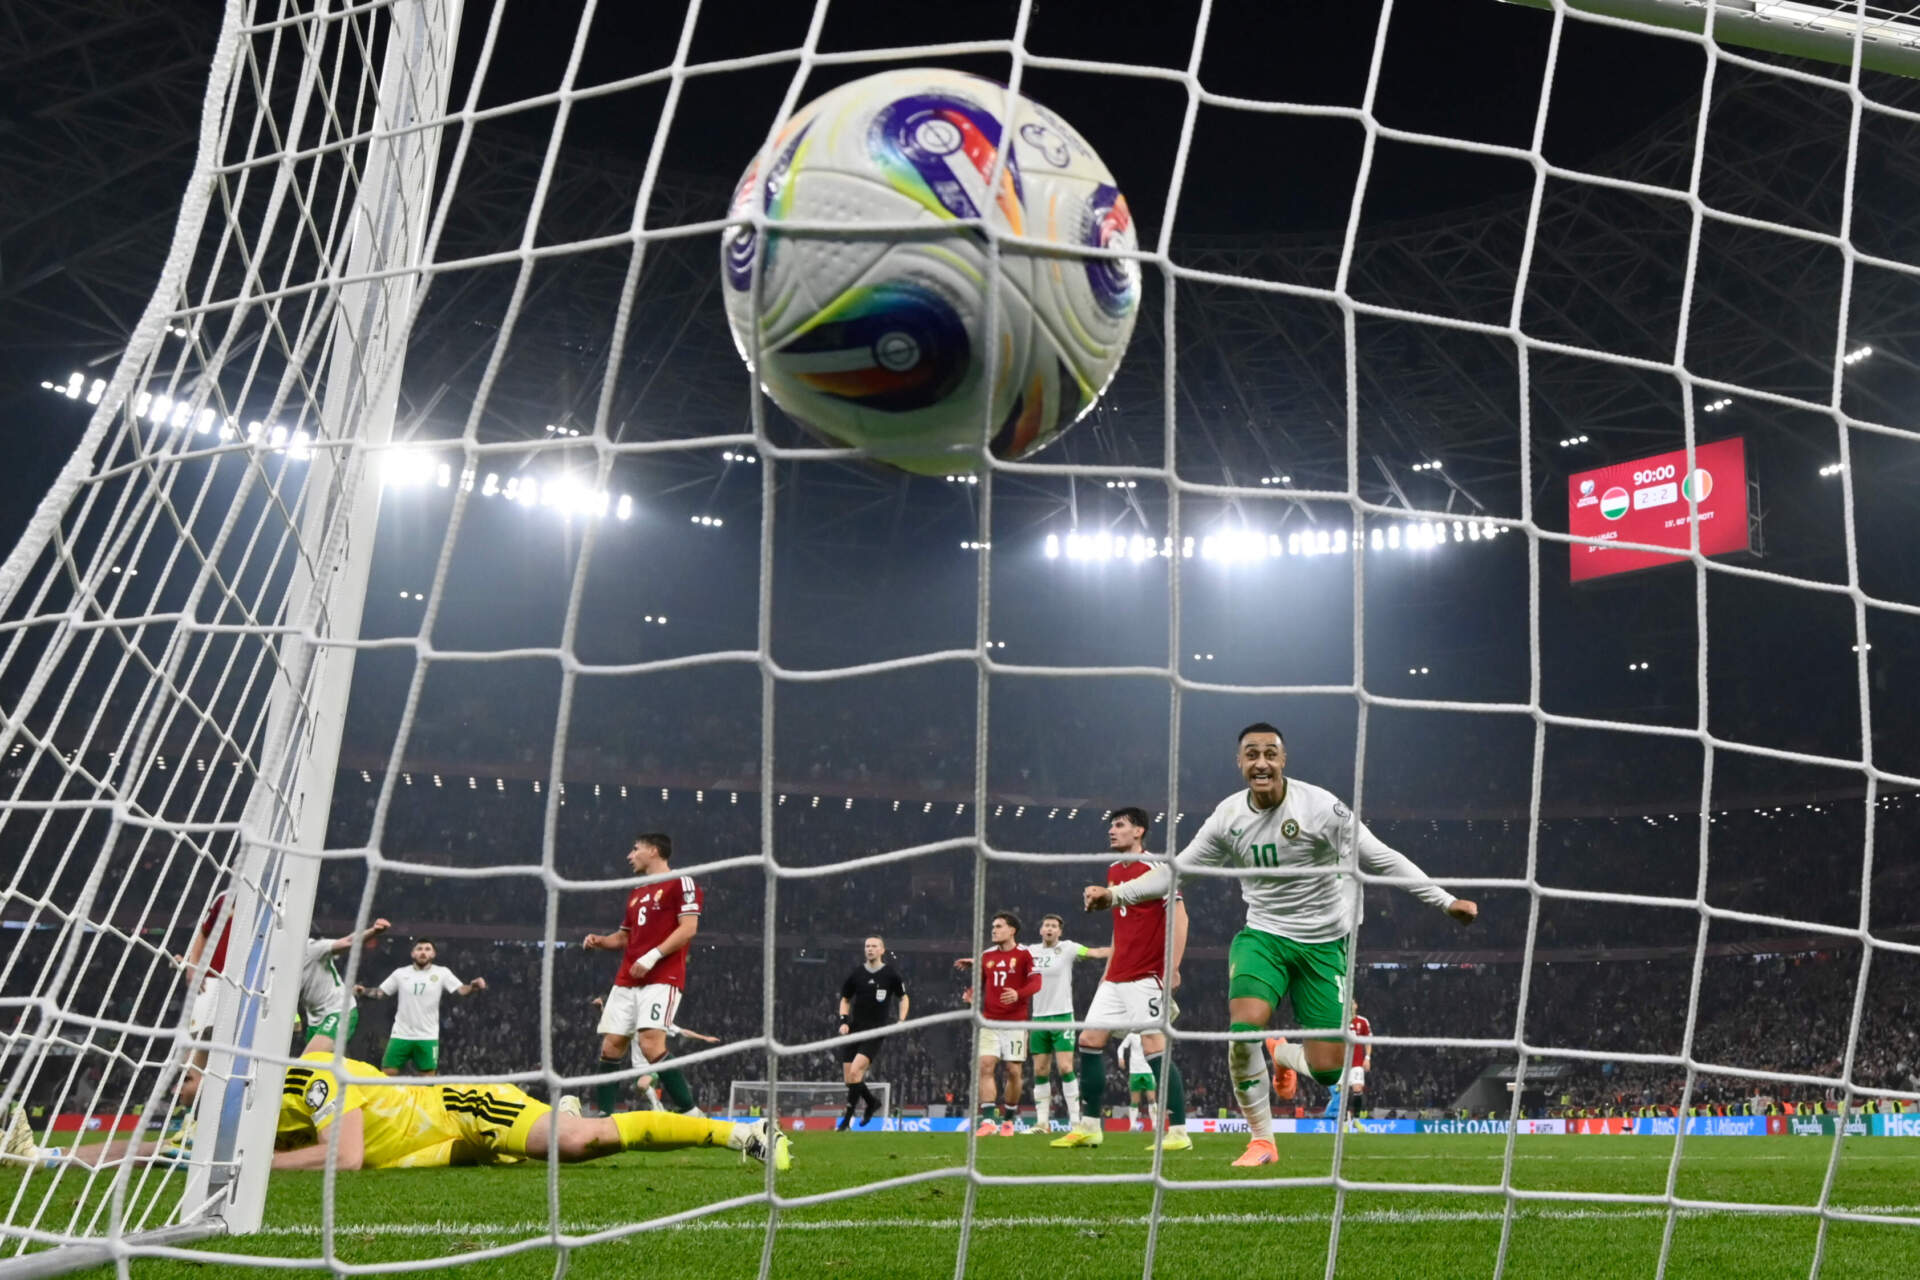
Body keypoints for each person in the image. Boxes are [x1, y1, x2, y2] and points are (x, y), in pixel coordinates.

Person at [1086, 723, 1476, 1167]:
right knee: (1242, 1030)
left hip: (1325, 944)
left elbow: (1380, 856)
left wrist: (1445, 901)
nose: (1261, 763)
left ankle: (1284, 1054)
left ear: (1283, 760)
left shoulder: (1322, 808)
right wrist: (1114, 895)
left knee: (1331, 1069)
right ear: (1240, 763)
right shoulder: (1227, 818)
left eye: (1270, 753)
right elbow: (1175, 872)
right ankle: (1262, 1140)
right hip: (1263, 937)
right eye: (1251, 754)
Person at [8, 1053, 789, 1174]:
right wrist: (52, 1157)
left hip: (446, 1103)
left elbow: (342, 1158)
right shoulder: (230, 1114)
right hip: (418, 1154)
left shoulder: (304, 1076)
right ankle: (558, 1108)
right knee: (507, 1161)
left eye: (185, 1081)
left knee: (575, 1143)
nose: (179, 1093)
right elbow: (158, 1155)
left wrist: (244, 1168)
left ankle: (739, 1132)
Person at [1054, 807, 1191, 1153]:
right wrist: (1105, 975)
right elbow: (1120, 929)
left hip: (1146, 974)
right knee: (1088, 1038)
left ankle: (1178, 1132)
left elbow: (1180, 916)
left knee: (1154, 1046)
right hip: (1116, 976)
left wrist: (1172, 967)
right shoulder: (1114, 870)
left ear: (1139, 831)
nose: (1112, 831)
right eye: (1111, 826)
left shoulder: (1155, 867)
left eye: (1120, 825)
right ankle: (1089, 1127)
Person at [582, 833, 702, 1116]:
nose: (629, 855)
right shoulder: (636, 893)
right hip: (627, 979)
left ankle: (690, 1111)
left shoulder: (681, 882)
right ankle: (605, 1117)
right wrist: (600, 940)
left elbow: (688, 928)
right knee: (611, 1046)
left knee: (650, 1044)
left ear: (653, 850)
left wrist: (651, 957)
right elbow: (623, 939)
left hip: (662, 978)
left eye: (635, 849)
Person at [957, 911, 1040, 1137]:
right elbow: (981, 982)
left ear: (1012, 930)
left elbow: (1036, 982)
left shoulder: (1024, 955)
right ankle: (988, 1121)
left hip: (1015, 1023)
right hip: (989, 1020)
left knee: (1013, 1071)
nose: (994, 930)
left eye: (999, 926)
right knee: (985, 1065)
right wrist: (972, 994)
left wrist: (1019, 993)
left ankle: (1009, 1120)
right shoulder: (987, 956)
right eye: (993, 926)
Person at [1024, 914, 1109, 1133]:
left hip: (1062, 1016)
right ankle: (1042, 1123)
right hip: (1039, 1019)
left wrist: (1122, 949)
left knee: (1065, 1067)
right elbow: (1007, 959)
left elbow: (1095, 952)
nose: (1050, 929)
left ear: (1060, 932)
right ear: (1041, 930)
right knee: (1040, 1070)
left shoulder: (1069, 948)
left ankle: (1075, 1121)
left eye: (1054, 926)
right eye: (1047, 925)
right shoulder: (1030, 951)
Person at [356, 939, 486, 1076]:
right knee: (386, 1076)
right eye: (419, 949)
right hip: (401, 1034)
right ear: (413, 953)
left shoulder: (442, 973)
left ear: (433, 954)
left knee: (427, 1082)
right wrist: (363, 992)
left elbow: (461, 990)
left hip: (427, 1036)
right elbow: (380, 993)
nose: (423, 952)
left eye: (427, 949)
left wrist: (473, 987)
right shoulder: (400, 973)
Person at [836, 936, 909, 1130]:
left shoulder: (890, 974)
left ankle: (846, 1121)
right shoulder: (857, 974)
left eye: (874, 946)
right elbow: (845, 999)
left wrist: (901, 1020)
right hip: (854, 1029)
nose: (870, 949)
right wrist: (844, 1021)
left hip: (876, 1030)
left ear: (882, 950)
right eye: (867, 946)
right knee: (849, 1080)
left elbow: (903, 998)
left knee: (855, 1072)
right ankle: (871, 1102)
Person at [300, 918, 390, 1055]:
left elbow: (348, 941)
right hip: (314, 1019)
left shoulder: (311, 949)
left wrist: (374, 931)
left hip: (339, 1010)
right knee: (325, 1067)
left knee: (309, 1061)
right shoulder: (279, 965)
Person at [1320, 1008, 1371, 1119]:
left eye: (1353, 1003)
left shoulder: (1362, 1021)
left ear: (1356, 1006)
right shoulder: (1338, 1022)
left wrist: (1367, 1058)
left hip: (1357, 1063)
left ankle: (1356, 1118)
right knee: (1341, 1093)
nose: (1351, 1006)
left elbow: (1368, 1041)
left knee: (1357, 1089)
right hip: (1341, 1063)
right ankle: (1343, 1118)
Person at [1118, 1032, 1156, 1131]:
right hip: (1135, 1071)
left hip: (1148, 1070)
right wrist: (1120, 1058)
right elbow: (1121, 1047)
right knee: (1135, 1100)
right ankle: (1132, 1125)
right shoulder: (1131, 1035)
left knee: (1152, 1099)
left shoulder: (1151, 1032)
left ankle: (1155, 1124)